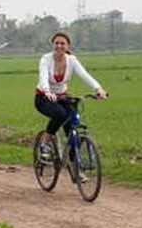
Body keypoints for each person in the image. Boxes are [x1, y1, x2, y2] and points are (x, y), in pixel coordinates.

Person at [35, 32, 107, 166]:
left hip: (62, 97)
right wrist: (46, 90)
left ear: (67, 45)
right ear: (52, 44)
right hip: (43, 97)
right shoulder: (46, 59)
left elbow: (84, 75)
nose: (59, 46)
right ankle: (45, 144)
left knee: (72, 125)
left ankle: (76, 165)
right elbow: (43, 76)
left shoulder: (72, 60)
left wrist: (98, 88)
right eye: (56, 43)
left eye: (62, 43)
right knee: (60, 114)